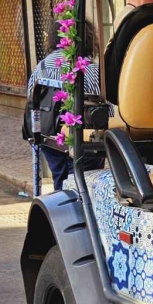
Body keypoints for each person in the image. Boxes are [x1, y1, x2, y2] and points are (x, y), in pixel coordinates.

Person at [26, 20, 102, 190]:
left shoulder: (41, 67)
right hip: (85, 136)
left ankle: (61, 208)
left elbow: (31, 100)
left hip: (48, 134)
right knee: (84, 182)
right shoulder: (92, 69)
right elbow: (105, 108)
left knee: (60, 179)